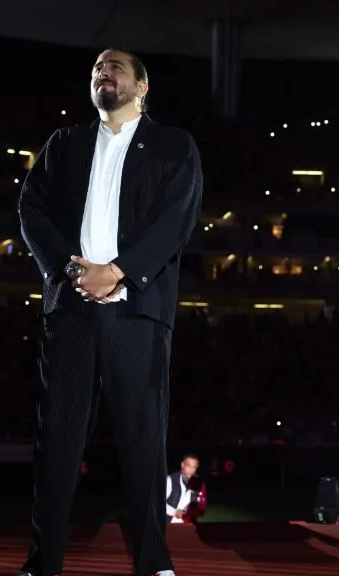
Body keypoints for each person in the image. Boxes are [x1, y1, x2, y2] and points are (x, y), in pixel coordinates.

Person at [17, 47, 203, 576]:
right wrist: (71, 273)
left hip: (138, 312)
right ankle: (42, 561)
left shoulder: (173, 145)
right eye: (98, 67)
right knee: (56, 439)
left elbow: (177, 219)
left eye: (117, 66)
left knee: (143, 441)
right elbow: (31, 208)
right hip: (71, 310)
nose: (105, 72)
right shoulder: (65, 143)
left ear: (142, 87)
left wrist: (119, 271)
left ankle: (153, 561)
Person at [165, 454, 207, 524]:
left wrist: (186, 511)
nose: (191, 469)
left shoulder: (198, 483)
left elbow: (201, 505)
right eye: (189, 466)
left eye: (194, 467)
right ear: (182, 465)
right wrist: (174, 512)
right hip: (167, 523)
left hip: (186, 523)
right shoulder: (170, 480)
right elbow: (159, 503)